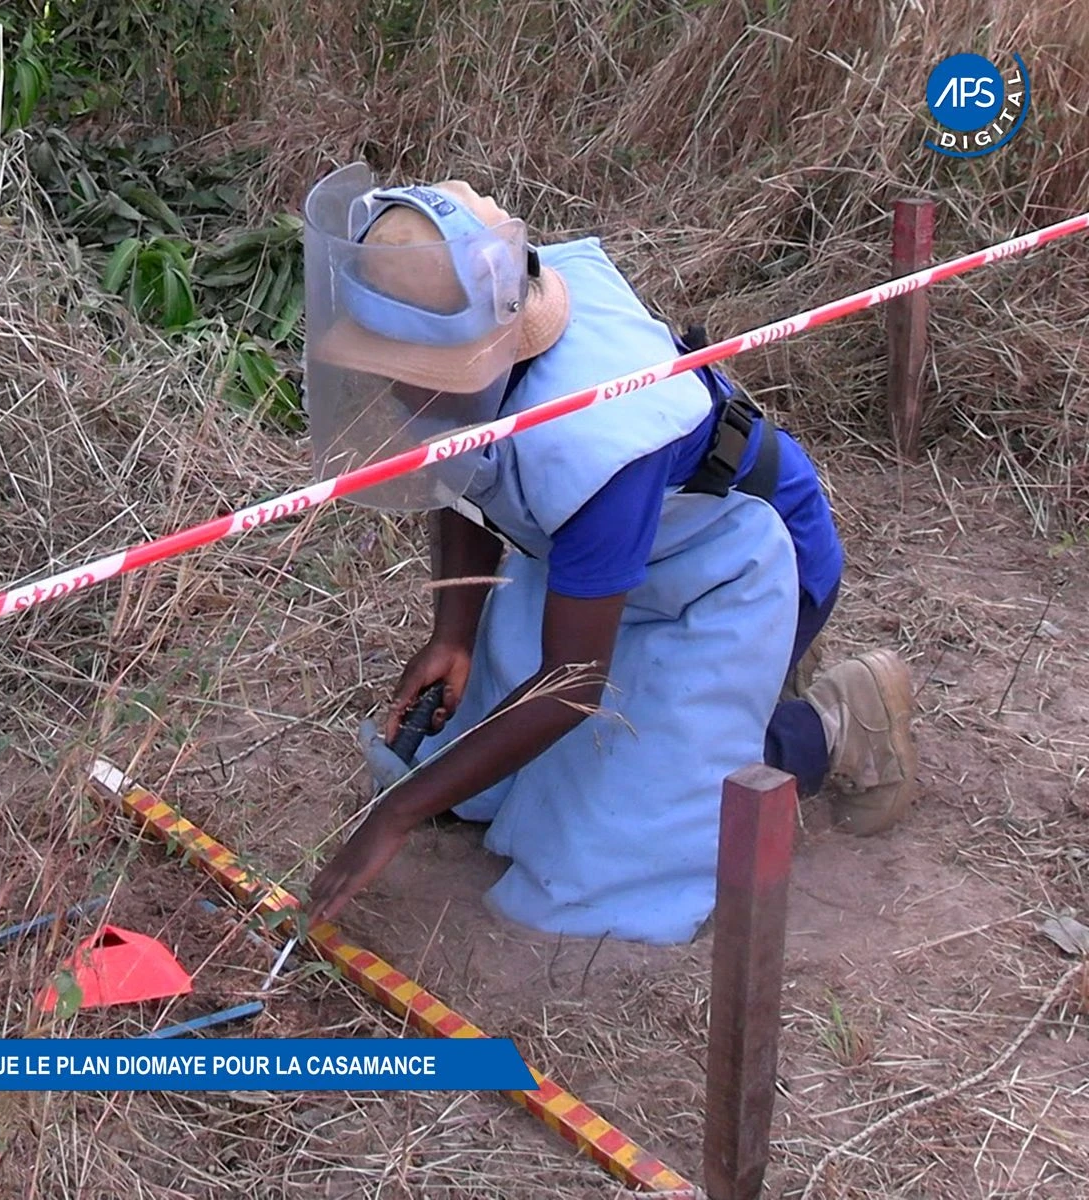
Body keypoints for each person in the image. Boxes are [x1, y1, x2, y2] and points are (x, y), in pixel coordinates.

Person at [298, 165, 918, 943]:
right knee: (492, 787)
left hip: (739, 568)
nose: (399, 397)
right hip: (606, 568)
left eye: (416, 377)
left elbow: (572, 685)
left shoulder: (597, 438)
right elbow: (467, 469)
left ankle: (832, 726)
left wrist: (394, 815)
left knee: (596, 870)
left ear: (490, 356)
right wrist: (452, 630)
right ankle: (685, 718)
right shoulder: (484, 312)